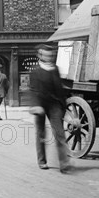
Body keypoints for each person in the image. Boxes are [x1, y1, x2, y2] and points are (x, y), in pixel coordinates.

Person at [30, 44, 71, 173]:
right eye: (46, 55)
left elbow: (59, 89)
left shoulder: (55, 70)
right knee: (41, 134)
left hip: (54, 105)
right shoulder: (35, 72)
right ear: (40, 56)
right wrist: (36, 105)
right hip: (40, 105)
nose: (49, 57)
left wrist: (64, 106)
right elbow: (33, 90)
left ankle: (64, 162)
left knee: (59, 133)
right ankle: (42, 161)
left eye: (51, 55)